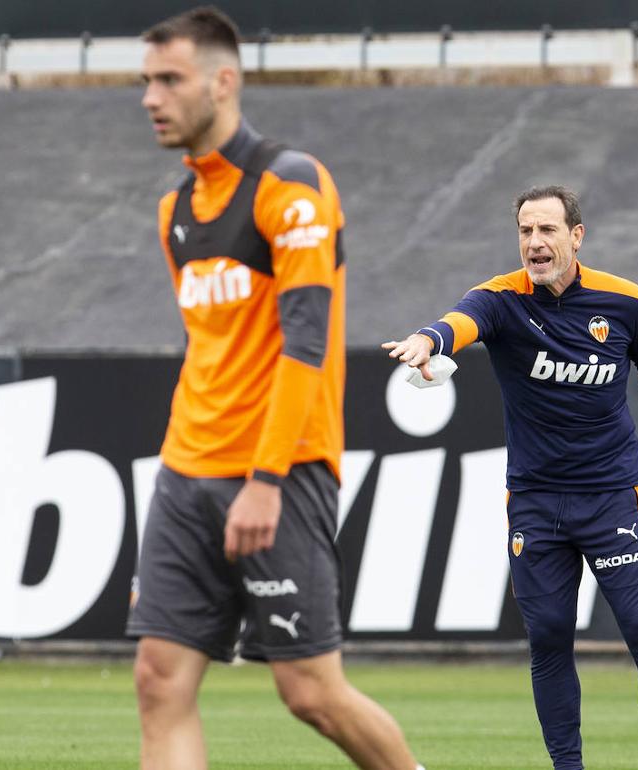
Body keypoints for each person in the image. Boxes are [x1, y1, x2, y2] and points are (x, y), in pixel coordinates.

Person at [128, 8, 424, 770]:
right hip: (187, 472)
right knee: (158, 680)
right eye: (146, 81)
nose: (151, 97)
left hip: (279, 474)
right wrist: (176, 479)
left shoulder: (290, 186)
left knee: (310, 692)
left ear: (223, 82)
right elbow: (209, 352)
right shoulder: (174, 214)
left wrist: (263, 480)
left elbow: (307, 341)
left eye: (169, 79)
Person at [383, 186, 638, 770]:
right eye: (525, 231)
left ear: (577, 236)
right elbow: (458, 323)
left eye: (547, 230)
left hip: (613, 499)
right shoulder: (501, 299)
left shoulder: (625, 301)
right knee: (549, 638)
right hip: (536, 501)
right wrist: (425, 341)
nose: (534, 243)